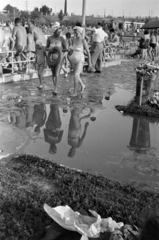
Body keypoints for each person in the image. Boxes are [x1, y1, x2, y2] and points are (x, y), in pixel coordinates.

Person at [68, 26, 92, 97]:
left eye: (76, 32)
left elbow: (88, 52)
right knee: (76, 75)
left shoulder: (83, 40)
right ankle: (82, 85)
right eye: (74, 32)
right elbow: (72, 49)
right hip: (73, 59)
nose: (75, 33)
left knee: (75, 75)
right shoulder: (74, 40)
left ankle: (75, 92)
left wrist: (90, 64)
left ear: (80, 32)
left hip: (80, 59)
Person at [46, 22, 67, 95]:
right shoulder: (49, 38)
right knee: (53, 74)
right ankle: (55, 86)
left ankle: (55, 89)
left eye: (59, 31)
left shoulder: (62, 39)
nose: (58, 32)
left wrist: (59, 50)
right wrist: (50, 49)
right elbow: (46, 48)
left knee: (57, 74)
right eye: (57, 31)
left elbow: (65, 49)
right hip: (51, 58)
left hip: (59, 58)